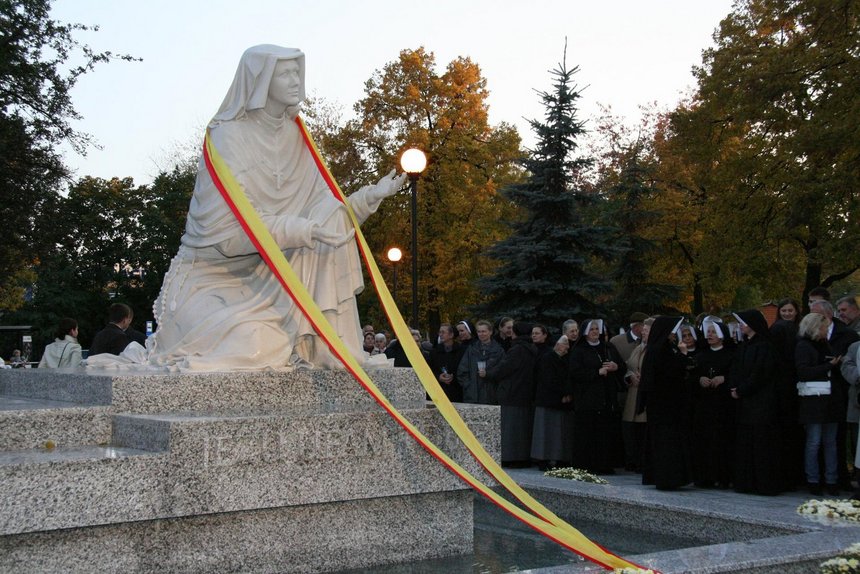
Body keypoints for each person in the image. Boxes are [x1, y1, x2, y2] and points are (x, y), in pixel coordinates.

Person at [143, 45, 406, 370]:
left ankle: (331, 345)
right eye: (285, 73)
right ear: (261, 79)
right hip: (213, 277)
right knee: (255, 346)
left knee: (328, 214)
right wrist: (303, 230)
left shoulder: (296, 135)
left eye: (297, 71)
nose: (296, 80)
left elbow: (326, 212)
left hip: (277, 274)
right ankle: (310, 339)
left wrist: (368, 197)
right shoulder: (227, 136)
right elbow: (228, 236)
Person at [730, 309, 781, 495]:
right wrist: (734, 387)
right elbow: (736, 369)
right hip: (745, 403)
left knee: (761, 444)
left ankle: (764, 483)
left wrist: (741, 390)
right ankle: (746, 481)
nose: (740, 326)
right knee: (746, 443)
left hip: (760, 403)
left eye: (742, 322)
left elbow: (760, 374)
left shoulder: (765, 346)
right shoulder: (744, 345)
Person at [638, 316, 693, 490]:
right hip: (663, 405)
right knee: (666, 442)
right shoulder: (659, 350)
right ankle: (667, 478)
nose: (674, 334)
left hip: (665, 404)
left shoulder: (663, 348)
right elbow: (669, 373)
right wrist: (683, 356)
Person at [796, 312, 844, 496]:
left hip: (830, 399)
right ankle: (813, 479)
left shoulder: (826, 344)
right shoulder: (803, 346)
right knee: (814, 441)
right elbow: (803, 372)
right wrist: (829, 365)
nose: (826, 330)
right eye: (824, 327)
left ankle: (831, 479)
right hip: (814, 400)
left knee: (830, 442)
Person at [569, 319, 623, 474]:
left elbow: (622, 366)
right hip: (587, 398)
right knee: (587, 433)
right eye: (591, 329)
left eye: (596, 329)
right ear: (585, 332)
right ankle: (586, 465)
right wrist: (596, 373)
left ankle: (604, 465)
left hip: (607, 397)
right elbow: (575, 372)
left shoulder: (608, 347)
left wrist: (616, 367)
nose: (595, 332)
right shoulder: (579, 350)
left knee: (605, 433)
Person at [690, 317, 735, 488]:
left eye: (713, 332)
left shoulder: (731, 355)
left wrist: (724, 378)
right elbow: (691, 376)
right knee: (704, 440)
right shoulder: (700, 356)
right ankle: (704, 477)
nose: (709, 335)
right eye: (708, 332)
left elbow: (736, 375)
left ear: (722, 335)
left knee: (722, 440)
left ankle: (723, 477)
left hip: (723, 405)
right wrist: (699, 379)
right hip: (703, 405)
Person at [486, 321, 538, 467]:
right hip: (525, 392)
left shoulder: (517, 349)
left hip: (511, 392)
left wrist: (489, 374)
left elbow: (505, 368)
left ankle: (511, 457)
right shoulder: (532, 349)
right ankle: (522, 457)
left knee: (511, 428)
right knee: (522, 427)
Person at [770, 297, 804, 489]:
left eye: (790, 310)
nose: (787, 314)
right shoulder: (782, 329)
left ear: (796, 312)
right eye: (784, 311)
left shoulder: (794, 330)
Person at [531, 334, 573, 470]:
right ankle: (543, 459)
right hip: (548, 400)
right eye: (565, 343)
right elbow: (548, 380)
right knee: (545, 432)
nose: (567, 347)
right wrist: (562, 394)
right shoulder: (547, 359)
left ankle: (561, 458)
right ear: (557, 345)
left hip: (561, 402)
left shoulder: (566, 359)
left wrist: (568, 393)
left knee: (560, 432)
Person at [621, 317, 652, 472]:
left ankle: (642, 461)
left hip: (645, 396)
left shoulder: (653, 349)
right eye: (643, 330)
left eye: (646, 330)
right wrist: (630, 376)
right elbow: (629, 366)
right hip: (633, 394)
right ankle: (632, 459)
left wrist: (644, 379)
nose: (643, 333)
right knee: (631, 429)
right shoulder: (638, 348)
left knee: (642, 429)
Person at [457, 320, 505, 404]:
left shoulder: (499, 350)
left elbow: (502, 371)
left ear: (490, 332)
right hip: (472, 396)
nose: (481, 334)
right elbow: (462, 371)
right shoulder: (471, 349)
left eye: (483, 331)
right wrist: (468, 386)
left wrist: (488, 374)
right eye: (479, 332)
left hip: (492, 395)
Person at [429, 323, 465, 402]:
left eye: (443, 332)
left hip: (457, 391)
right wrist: (438, 377)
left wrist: (453, 377)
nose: (440, 335)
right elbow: (429, 369)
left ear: (451, 335)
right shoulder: (434, 352)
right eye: (439, 332)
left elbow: (464, 369)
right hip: (439, 391)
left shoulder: (461, 351)